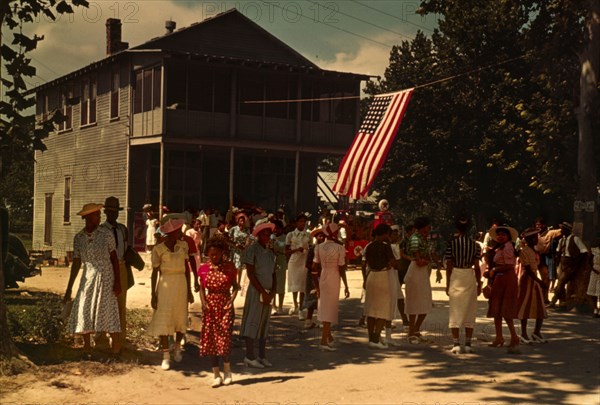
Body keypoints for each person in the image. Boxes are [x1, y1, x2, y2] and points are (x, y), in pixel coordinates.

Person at [64, 203, 122, 357]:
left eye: (99, 214)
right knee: (84, 308)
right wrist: (69, 287)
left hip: (106, 275)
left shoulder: (106, 234)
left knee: (108, 308)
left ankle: (116, 345)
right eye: (96, 215)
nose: (99, 217)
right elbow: (76, 263)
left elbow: (114, 258)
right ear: (88, 217)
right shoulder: (79, 238)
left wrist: (117, 281)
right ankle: (87, 347)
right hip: (88, 276)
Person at [148, 218, 194, 370]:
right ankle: (166, 355)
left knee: (179, 316)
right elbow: (154, 273)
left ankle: (177, 349)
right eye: (178, 231)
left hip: (180, 284)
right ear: (171, 233)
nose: (181, 233)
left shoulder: (183, 246)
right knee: (164, 317)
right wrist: (153, 295)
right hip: (165, 285)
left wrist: (189, 290)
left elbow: (187, 270)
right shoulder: (159, 249)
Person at [198, 237, 239, 387]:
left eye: (216, 254)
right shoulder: (203, 268)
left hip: (225, 305)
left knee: (225, 337)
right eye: (211, 254)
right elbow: (201, 289)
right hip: (210, 306)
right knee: (211, 340)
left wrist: (231, 301)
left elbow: (235, 286)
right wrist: (204, 303)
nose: (213, 257)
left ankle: (227, 371)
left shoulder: (229, 267)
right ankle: (216, 374)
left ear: (222, 252)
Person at [240, 222, 277, 368]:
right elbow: (250, 273)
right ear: (258, 235)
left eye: (268, 234)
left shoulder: (270, 253)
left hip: (268, 292)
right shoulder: (252, 250)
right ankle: (249, 355)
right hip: (256, 291)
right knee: (252, 322)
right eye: (264, 234)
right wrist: (262, 291)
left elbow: (274, 274)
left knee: (264, 323)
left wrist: (273, 292)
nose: (267, 237)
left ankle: (262, 355)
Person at [444, 216, 482, 354]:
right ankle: (468, 343)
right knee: (469, 309)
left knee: (455, 308)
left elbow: (448, 265)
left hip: (456, 275)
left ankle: (456, 343)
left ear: (457, 229)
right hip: (469, 274)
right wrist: (479, 284)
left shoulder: (452, 244)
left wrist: (447, 283)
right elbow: (477, 267)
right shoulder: (475, 246)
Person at [405, 217, 442, 343]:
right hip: (416, 270)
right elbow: (419, 261)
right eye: (427, 226)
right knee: (414, 301)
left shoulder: (423, 239)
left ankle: (415, 329)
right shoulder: (416, 239)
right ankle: (412, 330)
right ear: (422, 227)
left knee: (424, 301)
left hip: (421, 272)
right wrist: (428, 261)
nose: (429, 229)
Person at [313, 223, 349, 351]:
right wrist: (346, 285)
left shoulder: (318, 247)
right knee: (330, 308)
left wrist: (316, 286)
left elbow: (314, 267)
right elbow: (341, 268)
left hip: (323, 276)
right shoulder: (340, 248)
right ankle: (323, 340)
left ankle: (328, 336)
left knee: (324, 306)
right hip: (334, 277)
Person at [484, 225, 520, 353]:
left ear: (508, 237)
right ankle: (499, 337)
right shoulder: (499, 247)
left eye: (503, 234)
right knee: (497, 310)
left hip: (507, 279)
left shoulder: (508, 247)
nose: (500, 236)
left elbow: (510, 265)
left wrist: (494, 270)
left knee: (505, 310)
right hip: (499, 279)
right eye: (498, 234)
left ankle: (514, 336)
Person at [100, 196, 130, 345]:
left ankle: (120, 339)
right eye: (111, 211)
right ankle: (100, 337)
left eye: (116, 211)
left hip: (121, 265)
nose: (114, 214)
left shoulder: (122, 229)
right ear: (105, 212)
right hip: (106, 267)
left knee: (120, 304)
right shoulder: (101, 230)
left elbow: (126, 249)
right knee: (104, 303)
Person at [364, 223, 397, 349]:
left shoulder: (369, 246)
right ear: (384, 234)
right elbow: (394, 263)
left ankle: (371, 338)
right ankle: (376, 338)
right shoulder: (386, 247)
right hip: (383, 276)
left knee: (371, 310)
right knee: (383, 309)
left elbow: (366, 263)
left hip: (371, 275)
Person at [517, 227, 548, 344]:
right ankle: (524, 333)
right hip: (527, 280)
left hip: (534, 280)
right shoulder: (524, 251)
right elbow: (528, 270)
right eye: (534, 237)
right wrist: (540, 282)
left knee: (540, 307)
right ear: (529, 239)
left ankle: (536, 332)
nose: (536, 239)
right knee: (525, 305)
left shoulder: (535, 250)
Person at [548, 222, 589, 310]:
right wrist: (558, 263)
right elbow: (558, 252)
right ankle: (563, 304)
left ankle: (553, 302)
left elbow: (584, 251)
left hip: (571, 265)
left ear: (567, 230)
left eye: (563, 229)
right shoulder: (561, 240)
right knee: (561, 284)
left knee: (561, 283)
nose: (561, 231)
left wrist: (576, 263)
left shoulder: (575, 239)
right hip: (562, 264)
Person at [285, 213, 311, 319]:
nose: (302, 223)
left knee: (302, 286)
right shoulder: (290, 235)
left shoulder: (308, 235)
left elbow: (310, 248)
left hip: (303, 261)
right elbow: (286, 251)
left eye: (304, 222)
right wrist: (296, 250)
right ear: (296, 223)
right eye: (300, 221)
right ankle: (295, 304)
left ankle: (301, 307)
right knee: (294, 285)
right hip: (294, 261)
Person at [303, 227, 326, 329]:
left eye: (323, 235)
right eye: (319, 236)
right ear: (316, 237)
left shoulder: (326, 249)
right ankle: (308, 320)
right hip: (312, 276)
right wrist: (315, 268)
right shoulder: (312, 249)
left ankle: (321, 320)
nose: (321, 237)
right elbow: (307, 264)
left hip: (323, 275)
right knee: (312, 298)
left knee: (323, 298)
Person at [271, 220, 287, 315]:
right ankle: (273, 305)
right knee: (272, 284)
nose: (276, 230)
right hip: (272, 261)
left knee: (281, 283)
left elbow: (285, 248)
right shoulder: (271, 237)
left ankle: (280, 306)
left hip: (281, 261)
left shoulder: (285, 238)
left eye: (277, 228)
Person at [587, 240, 600, 318]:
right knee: (592, 292)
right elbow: (589, 261)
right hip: (595, 271)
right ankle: (595, 309)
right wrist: (593, 269)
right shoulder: (594, 250)